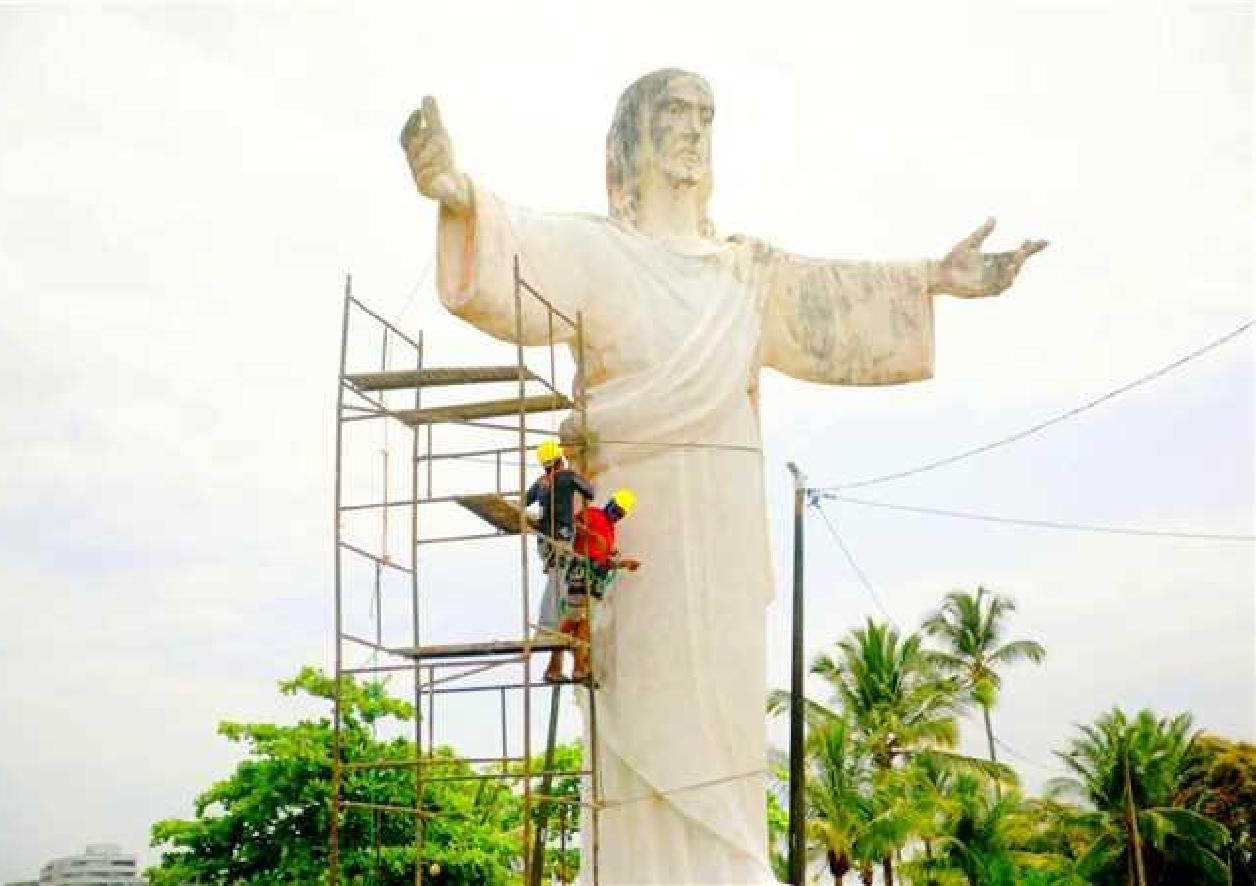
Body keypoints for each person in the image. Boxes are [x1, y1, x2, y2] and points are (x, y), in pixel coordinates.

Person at [402, 69, 1047, 883]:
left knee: (727, 716)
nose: (693, 128)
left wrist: (934, 279)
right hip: (636, 520)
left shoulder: (747, 271)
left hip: (728, 512)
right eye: (674, 111)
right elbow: (511, 250)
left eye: (705, 114)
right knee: (641, 700)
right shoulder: (599, 251)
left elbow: (835, 300)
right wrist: (455, 191)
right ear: (629, 137)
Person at [545, 488, 640, 683]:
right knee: (572, 619)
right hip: (582, 573)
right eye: (615, 510)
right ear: (610, 504)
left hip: (595, 579)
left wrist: (621, 562)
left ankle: (579, 667)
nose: (615, 516)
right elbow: (572, 525)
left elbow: (602, 559)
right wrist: (589, 533)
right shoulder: (593, 514)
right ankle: (554, 666)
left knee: (584, 625)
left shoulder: (610, 531)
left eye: (620, 514)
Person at [523, 440, 593, 639]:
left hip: (544, 540)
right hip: (561, 537)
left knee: (557, 579)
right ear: (560, 460)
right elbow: (590, 492)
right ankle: (548, 627)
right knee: (557, 580)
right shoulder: (567, 476)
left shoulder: (540, 482)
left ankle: (553, 624)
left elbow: (523, 501)